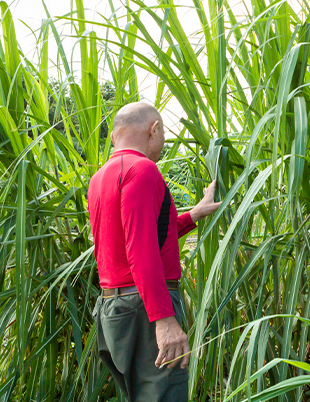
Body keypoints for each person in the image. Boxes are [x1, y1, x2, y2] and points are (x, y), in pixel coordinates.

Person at [88, 102, 221, 402]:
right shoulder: (143, 169)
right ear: (154, 130)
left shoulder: (100, 178)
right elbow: (141, 250)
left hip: (114, 310)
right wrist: (164, 319)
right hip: (145, 310)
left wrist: (193, 215)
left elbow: (134, 239)